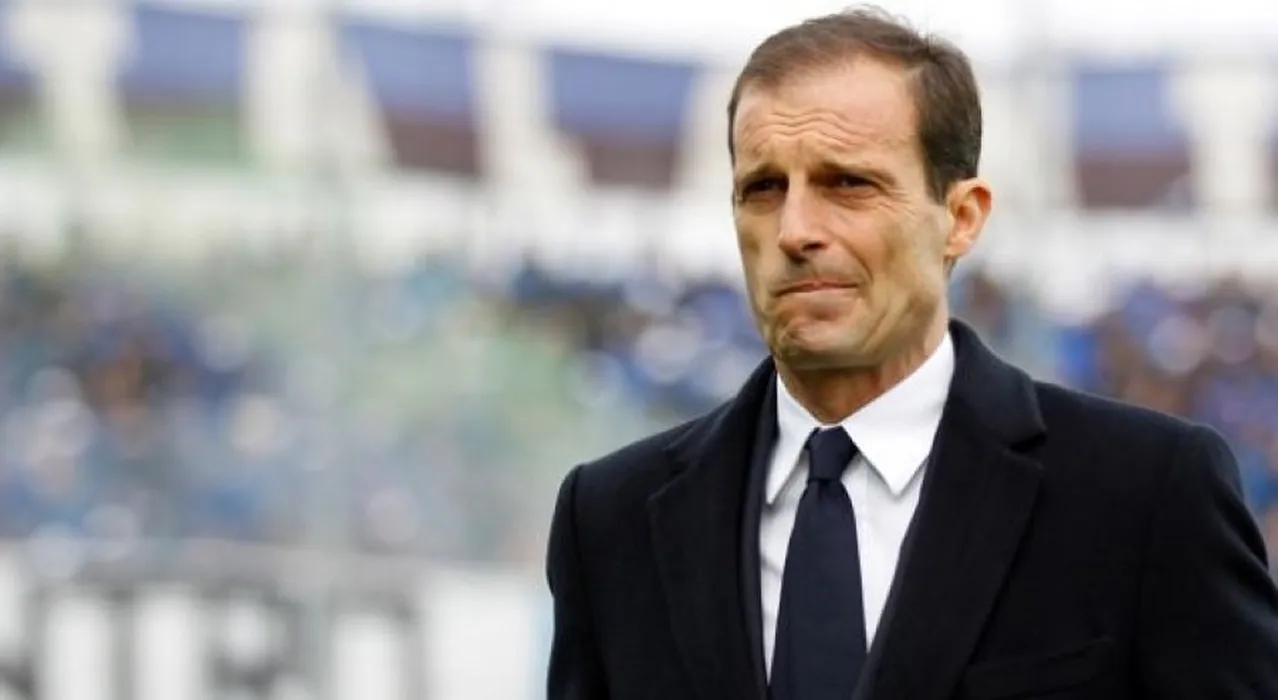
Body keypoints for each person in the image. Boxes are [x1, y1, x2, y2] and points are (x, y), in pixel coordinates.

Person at [544, 7, 1278, 700]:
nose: (795, 229)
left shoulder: (1145, 494)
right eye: (762, 188)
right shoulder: (610, 520)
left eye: (848, 183)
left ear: (961, 218)